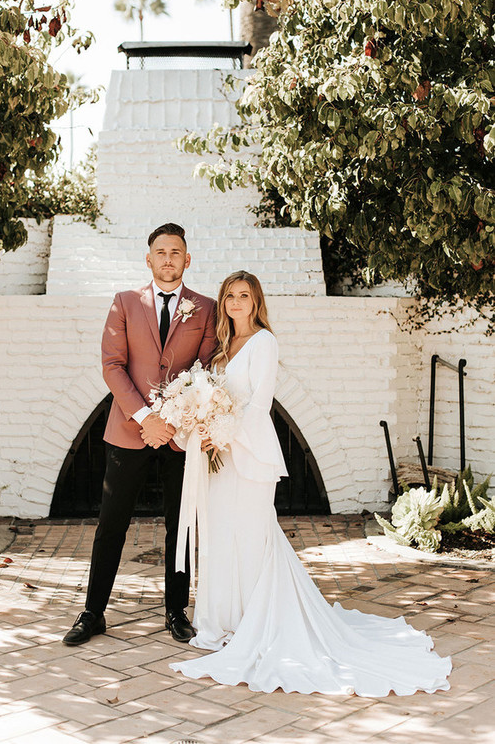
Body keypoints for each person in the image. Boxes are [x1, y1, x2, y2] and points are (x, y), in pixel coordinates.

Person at [170, 270, 452, 695]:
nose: (235, 303)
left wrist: (220, 433)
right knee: (222, 536)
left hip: (249, 455)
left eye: (244, 296)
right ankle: (223, 622)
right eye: (229, 296)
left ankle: (257, 622)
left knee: (252, 538)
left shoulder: (265, 342)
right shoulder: (223, 348)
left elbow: (259, 405)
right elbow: (217, 399)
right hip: (220, 457)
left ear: (256, 301)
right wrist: (200, 424)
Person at [63, 223, 216, 646]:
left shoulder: (206, 307)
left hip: (179, 435)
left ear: (188, 260)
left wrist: (174, 420)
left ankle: (176, 612)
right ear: (148, 259)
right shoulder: (125, 302)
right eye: (161, 252)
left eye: (176, 252)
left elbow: (205, 370)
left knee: (179, 527)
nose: (168, 259)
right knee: (111, 524)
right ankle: (93, 613)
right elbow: (113, 364)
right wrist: (147, 417)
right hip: (129, 430)